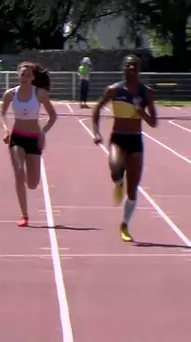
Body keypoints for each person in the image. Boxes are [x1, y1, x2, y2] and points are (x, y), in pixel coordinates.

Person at [91, 55, 158, 242]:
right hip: (118, 138)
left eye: (135, 66)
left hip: (135, 140)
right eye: (128, 65)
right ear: (123, 68)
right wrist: (96, 132)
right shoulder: (114, 90)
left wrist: (141, 112)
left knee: (133, 188)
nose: (131, 68)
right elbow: (97, 109)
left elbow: (154, 122)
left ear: (139, 70)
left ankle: (125, 224)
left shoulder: (146, 93)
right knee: (115, 168)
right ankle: (118, 181)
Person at [0, 62, 58, 227]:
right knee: (18, 172)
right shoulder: (10, 94)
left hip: (33, 137)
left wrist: (43, 133)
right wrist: (5, 130)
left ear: (33, 77)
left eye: (28, 75)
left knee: (32, 183)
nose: (24, 77)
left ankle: (25, 176)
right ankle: (24, 215)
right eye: (22, 74)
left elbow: (53, 115)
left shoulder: (39, 94)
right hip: (17, 136)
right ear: (18, 75)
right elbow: (2, 113)